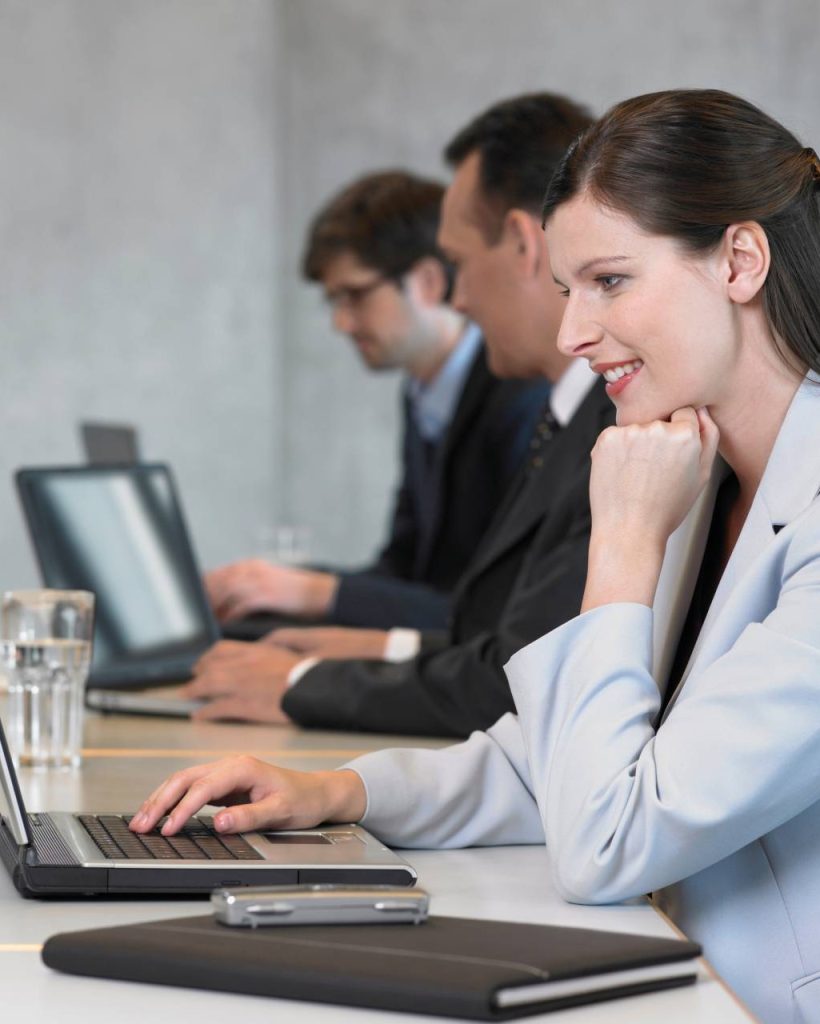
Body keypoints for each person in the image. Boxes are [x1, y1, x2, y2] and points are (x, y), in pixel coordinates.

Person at [132, 89, 820, 1022]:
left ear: (740, 259)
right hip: (672, 973)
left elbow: (611, 836)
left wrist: (621, 546)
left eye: (610, 282)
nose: (575, 333)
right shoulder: (701, 474)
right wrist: (335, 790)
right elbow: (553, 758)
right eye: (568, 290)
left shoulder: (705, 501)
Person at [179, 93, 609, 735]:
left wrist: (306, 677)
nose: (460, 297)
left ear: (523, 244)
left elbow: (514, 673)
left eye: (459, 265)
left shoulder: (588, 422)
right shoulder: (555, 410)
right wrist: (357, 647)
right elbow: (485, 630)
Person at [207, 171, 548, 633]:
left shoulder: (522, 398)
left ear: (428, 281)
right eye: (333, 302)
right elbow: (404, 569)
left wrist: (311, 592)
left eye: (355, 296)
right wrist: (273, 588)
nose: (341, 323)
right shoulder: (422, 394)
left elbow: (493, 614)